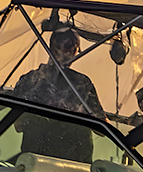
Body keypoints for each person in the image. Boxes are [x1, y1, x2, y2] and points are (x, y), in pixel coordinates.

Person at [12, 28, 103, 163]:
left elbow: (18, 125)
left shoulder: (28, 80)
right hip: (72, 168)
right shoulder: (82, 83)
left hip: (35, 163)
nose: (72, 53)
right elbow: (102, 129)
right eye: (72, 49)